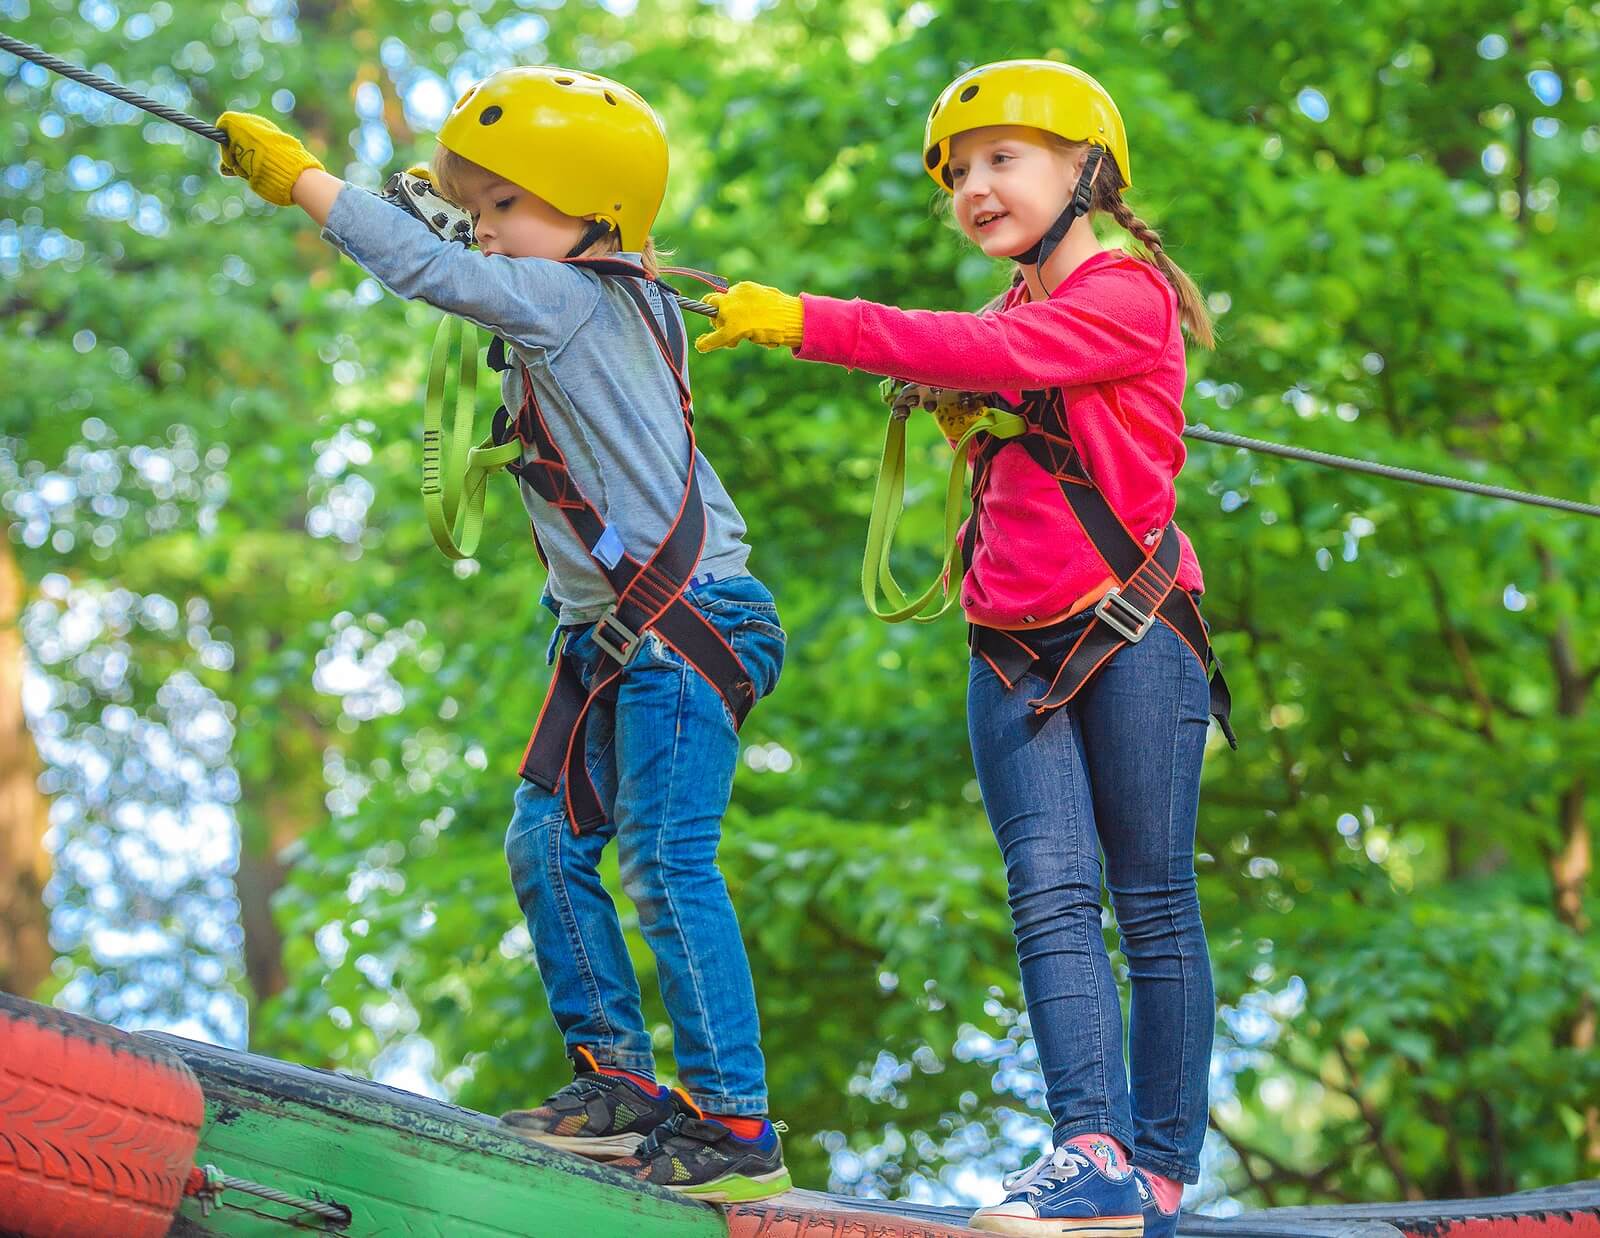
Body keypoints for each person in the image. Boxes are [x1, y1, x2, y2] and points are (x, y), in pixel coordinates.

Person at [213, 64, 791, 1203]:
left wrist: (308, 186)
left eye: (504, 209)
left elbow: (429, 272)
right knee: (544, 840)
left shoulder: (575, 297)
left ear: (592, 214)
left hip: (687, 625)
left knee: (667, 860)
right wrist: (447, 213)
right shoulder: (597, 294)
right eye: (476, 213)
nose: (484, 232)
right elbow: (467, 258)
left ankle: (736, 1122)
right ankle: (618, 1082)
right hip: (609, 633)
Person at [695, 58, 1234, 1235]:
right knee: (1047, 892)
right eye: (960, 172)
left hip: (1132, 629)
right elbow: (981, 361)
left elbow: (977, 355)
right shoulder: (1014, 315)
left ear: (1084, 170)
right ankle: (1086, 1149)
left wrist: (803, 321)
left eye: (1004, 158)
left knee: (1148, 900)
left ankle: (1156, 1168)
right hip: (1010, 645)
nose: (976, 187)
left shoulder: (1125, 295)